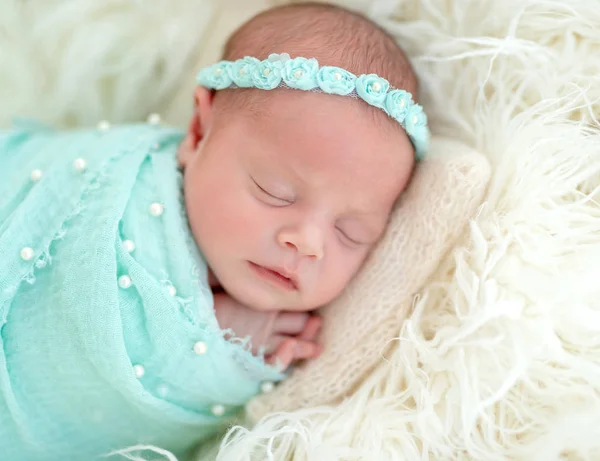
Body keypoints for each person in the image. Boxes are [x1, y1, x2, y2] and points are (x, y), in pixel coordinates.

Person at [0, 2, 428, 459]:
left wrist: (231, 351)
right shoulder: (121, 190)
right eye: (275, 191)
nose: (308, 242)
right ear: (200, 131)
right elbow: (67, 303)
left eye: (351, 232)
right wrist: (219, 331)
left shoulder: (288, 338)